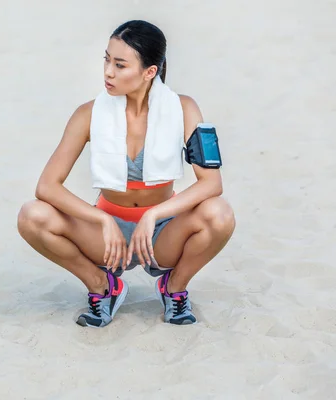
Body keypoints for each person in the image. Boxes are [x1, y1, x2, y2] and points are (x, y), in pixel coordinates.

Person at [17, 20, 235, 327]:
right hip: (107, 236)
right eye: (107, 60)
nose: (108, 72)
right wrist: (102, 219)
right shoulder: (88, 114)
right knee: (31, 215)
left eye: (120, 65)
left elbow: (212, 183)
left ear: (150, 72)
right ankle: (102, 287)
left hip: (162, 232)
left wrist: (154, 214)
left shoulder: (184, 109)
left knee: (220, 214)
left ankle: (173, 288)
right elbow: (47, 186)